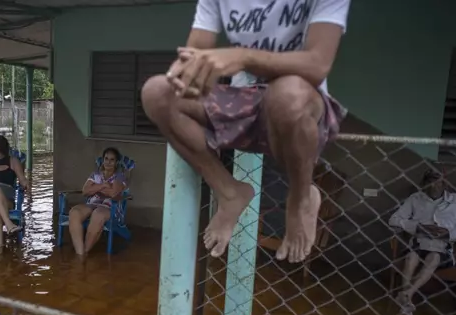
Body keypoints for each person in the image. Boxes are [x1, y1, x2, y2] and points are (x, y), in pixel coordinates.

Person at [141, 0, 351, 263]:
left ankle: (300, 199)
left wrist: (242, 56)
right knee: (158, 92)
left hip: (298, 103)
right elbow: (194, 53)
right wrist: (186, 72)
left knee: (285, 94)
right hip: (242, 101)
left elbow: (318, 64)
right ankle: (229, 192)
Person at [389, 169, 456, 315]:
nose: (434, 186)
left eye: (438, 182)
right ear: (424, 184)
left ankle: (407, 294)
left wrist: (449, 233)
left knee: (433, 258)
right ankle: (407, 298)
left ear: (445, 184)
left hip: (442, 247)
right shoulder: (415, 198)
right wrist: (418, 227)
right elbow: (394, 220)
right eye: (430, 182)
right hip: (419, 243)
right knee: (411, 258)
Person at [69, 147, 127, 256]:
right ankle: (80, 253)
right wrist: (104, 185)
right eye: (106, 159)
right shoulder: (95, 174)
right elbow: (85, 191)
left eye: (112, 160)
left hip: (111, 206)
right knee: (74, 212)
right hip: (92, 203)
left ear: (116, 162)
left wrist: (95, 187)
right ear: (103, 159)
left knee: (98, 214)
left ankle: (84, 252)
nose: (108, 162)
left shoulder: (120, 176)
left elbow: (113, 194)